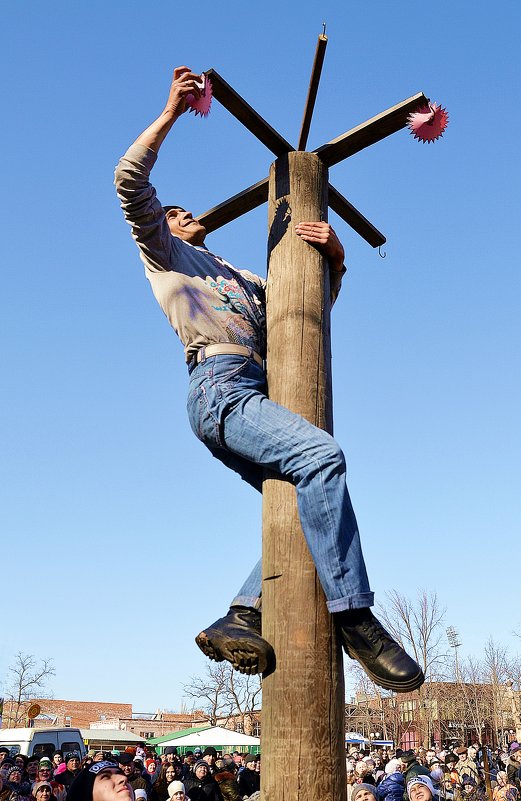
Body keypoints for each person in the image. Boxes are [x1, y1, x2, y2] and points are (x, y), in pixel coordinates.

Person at [114, 66, 425, 693]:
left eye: (183, 210)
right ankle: (356, 618)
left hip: (250, 389)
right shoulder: (166, 258)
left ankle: (239, 614)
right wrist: (173, 111)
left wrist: (333, 261)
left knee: (302, 505)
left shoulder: (242, 280)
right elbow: (128, 181)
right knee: (321, 456)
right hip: (220, 386)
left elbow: (303, 315)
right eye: (173, 211)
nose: (183, 212)